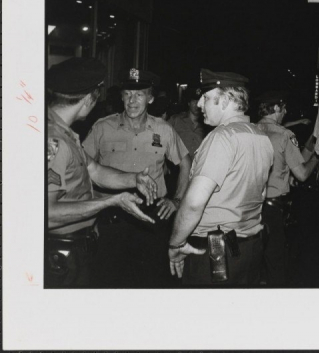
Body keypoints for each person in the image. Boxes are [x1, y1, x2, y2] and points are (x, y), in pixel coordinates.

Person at [46, 58, 158, 287]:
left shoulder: (65, 132)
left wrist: (134, 179)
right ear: (88, 99)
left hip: (77, 249)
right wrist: (110, 202)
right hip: (60, 254)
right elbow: (47, 214)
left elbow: (94, 169)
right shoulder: (54, 142)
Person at [82, 68, 192, 287]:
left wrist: (177, 200)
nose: (132, 101)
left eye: (139, 94)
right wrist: (90, 214)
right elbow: (82, 169)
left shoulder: (164, 129)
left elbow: (186, 164)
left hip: (151, 219)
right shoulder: (103, 127)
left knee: (151, 281)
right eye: (128, 94)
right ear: (121, 96)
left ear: (150, 98)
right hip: (112, 217)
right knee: (107, 281)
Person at [168, 70, 274, 285]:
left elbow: (195, 203)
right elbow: (261, 194)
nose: (199, 104)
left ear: (225, 101)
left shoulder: (221, 138)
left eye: (206, 98)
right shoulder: (261, 137)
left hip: (215, 254)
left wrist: (176, 244)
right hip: (249, 248)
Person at [255, 90, 319, 285]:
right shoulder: (284, 136)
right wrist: (318, 155)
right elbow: (302, 174)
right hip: (273, 209)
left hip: (249, 206)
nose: (285, 113)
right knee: (276, 263)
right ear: (276, 108)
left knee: (255, 262)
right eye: (283, 109)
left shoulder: (250, 130)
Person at [168, 86, 206, 156]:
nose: (197, 104)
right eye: (194, 101)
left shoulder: (206, 126)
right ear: (189, 103)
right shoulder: (176, 120)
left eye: (199, 101)